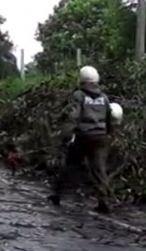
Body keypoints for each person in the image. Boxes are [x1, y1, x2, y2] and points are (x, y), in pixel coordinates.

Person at [49, 65, 114, 214]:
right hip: (101, 137)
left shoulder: (79, 96)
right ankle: (104, 201)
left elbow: (73, 117)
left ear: (81, 80)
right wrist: (108, 134)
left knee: (70, 165)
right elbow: (110, 118)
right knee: (99, 170)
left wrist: (66, 137)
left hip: (83, 137)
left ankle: (57, 194)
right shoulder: (104, 98)